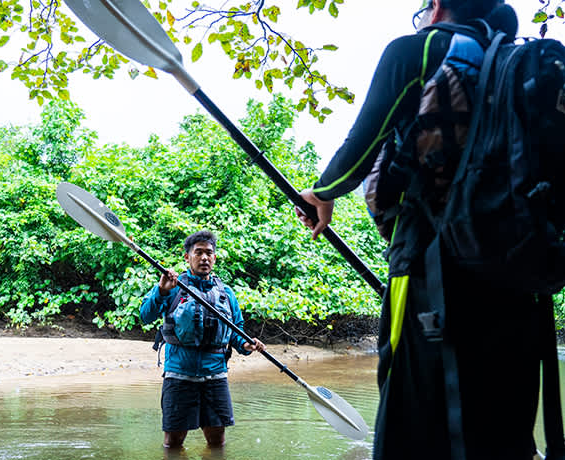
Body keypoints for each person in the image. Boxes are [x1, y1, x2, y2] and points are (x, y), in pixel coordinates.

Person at [296, 2, 547, 459]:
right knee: (500, 420)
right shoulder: (522, 67)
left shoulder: (420, 49)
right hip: (520, 275)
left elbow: (364, 140)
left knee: (410, 412)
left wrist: (325, 192)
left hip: (430, 265)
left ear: (436, 7)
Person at [140, 230, 265, 450]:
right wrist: (160, 290)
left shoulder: (226, 293)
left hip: (215, 375)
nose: (204, 258)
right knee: (173, 443)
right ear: (187, 257)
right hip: (179, 374)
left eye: (209, 253)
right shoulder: (172, 286)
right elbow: (145, 316)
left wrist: (247, 345)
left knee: (217, 443)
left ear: (215, 258)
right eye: (198, 253)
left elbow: (236, 333)